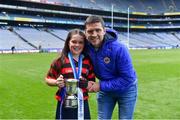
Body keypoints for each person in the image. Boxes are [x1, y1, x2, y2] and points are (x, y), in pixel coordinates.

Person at [84, 15, 138, 119]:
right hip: (106, 90)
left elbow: (128, 78)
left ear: (104, 31)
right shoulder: (85, 47)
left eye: (98, 30)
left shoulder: (119, 49)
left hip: (126, 89)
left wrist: (100, 86)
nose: (94, 34)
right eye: (90, 31)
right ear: (85, 32)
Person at [45, 29, 95, 119]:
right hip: (64, 103)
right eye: (74, 42)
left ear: (84, 45)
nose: (77, 45)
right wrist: (56, 82)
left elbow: (92, 83)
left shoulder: (88, 61)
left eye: (80, 42)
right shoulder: (60, 60)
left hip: (82, 102)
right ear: (68, 42)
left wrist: (87, 84)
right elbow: (48, 79)